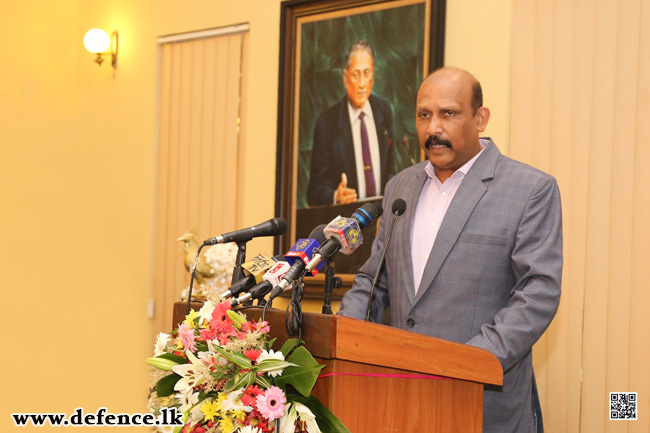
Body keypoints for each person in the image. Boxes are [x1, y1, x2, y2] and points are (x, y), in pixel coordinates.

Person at [338, 67, 562, 433]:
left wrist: (465, 363)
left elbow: (537, 295)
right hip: (395, 399)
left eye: (448, 113)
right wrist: (346, 336)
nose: (433, 128)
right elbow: (374, 281)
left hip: (481, 403)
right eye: (424, 115)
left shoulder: (530, 190)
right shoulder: (400, 187)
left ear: (481, 118)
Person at [307, 40, 396, 206]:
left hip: (382, 218)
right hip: (346, 222)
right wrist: (335, 196)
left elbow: (391, 170)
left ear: (373, 76)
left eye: (367, 73)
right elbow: (314, 191)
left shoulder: (384, 111)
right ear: (345, 77)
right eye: (356, 75)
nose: (362, 83)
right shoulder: (327, 123)